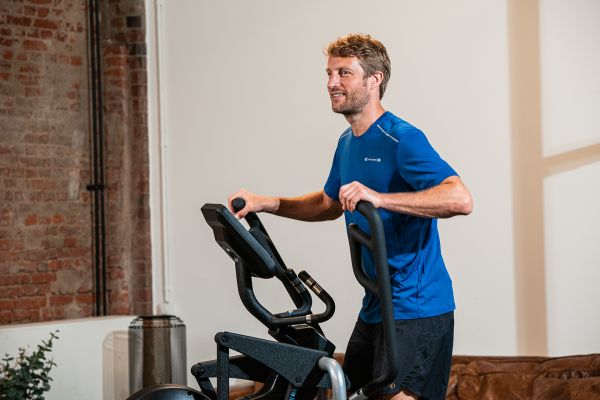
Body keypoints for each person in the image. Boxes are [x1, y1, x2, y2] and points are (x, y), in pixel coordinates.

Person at [228, 34, 473, 400]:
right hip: (376, 304)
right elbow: (328, 204)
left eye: (344, 73)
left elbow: (460, 198)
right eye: (329, 73)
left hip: (417, 306)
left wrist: (380, 198)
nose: (331, 83)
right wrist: (266, 202)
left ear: (374, 80)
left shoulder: (401, 138)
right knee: (341, 390)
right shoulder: (348, 141)